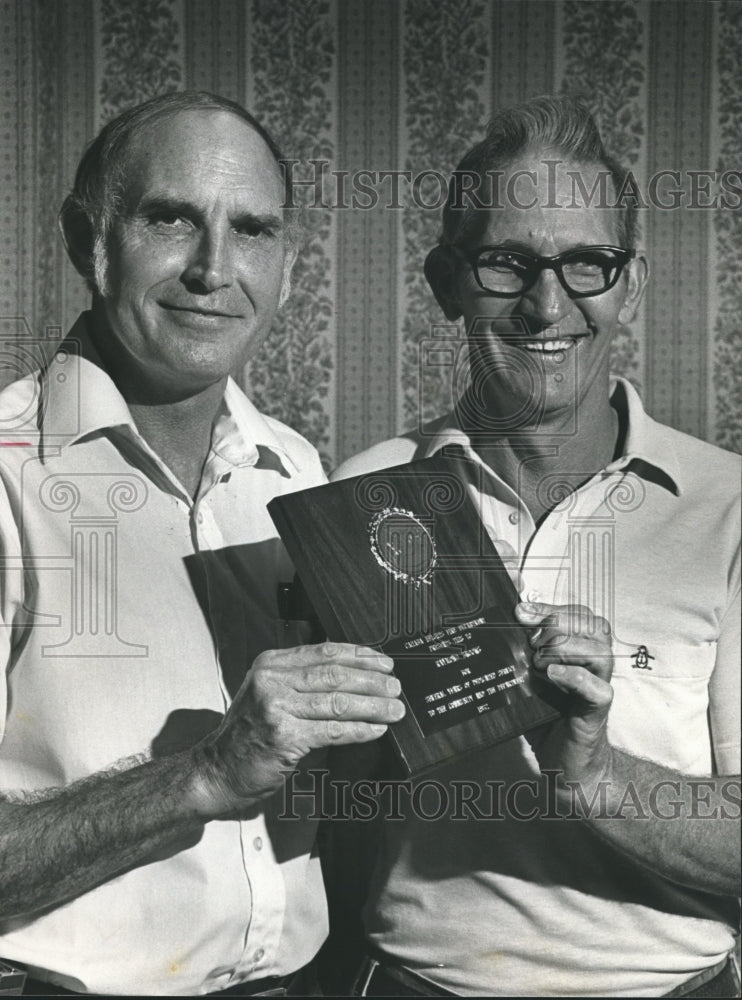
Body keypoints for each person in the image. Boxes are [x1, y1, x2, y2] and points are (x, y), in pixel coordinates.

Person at [330, 96, 741, 997]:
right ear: (446, 282)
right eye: (507, 263)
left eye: (587, 263)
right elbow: (323, 807)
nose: (548, 305)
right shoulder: (368, 492)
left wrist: (595, 773)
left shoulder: (731, 508)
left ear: (629, 281)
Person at [0, 91, 404, 997]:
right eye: (171, 219)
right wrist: (206, 775)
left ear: (288, 269)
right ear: (89, 241)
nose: (214, 269)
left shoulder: (297, 475)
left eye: (252, 230)